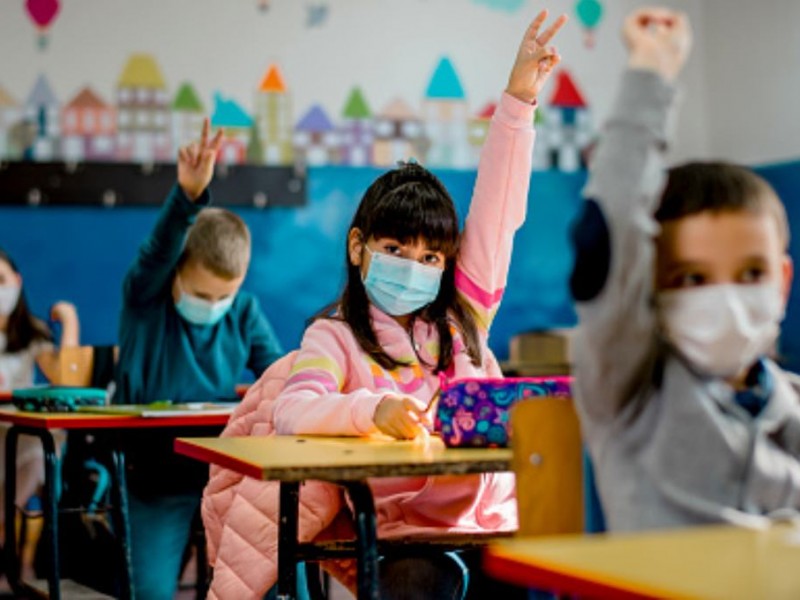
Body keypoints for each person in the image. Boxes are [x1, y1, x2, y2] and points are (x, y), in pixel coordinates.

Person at [204, 9, 567, 599]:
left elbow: (499, 212)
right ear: (358, 247)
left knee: (542, 573)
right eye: (396, 248)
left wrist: (519, 99)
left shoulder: (462, 319)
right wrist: (370, 412)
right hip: (407, 538)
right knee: (419, 581)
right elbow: (296, 410)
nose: (414, 267)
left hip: (493, 523)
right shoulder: (336, 337)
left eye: (430, 257)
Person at [570, 6, 800, 532]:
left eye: (749, 274)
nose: (726, 297)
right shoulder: (629, 387)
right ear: (646, 285)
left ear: (782, 282)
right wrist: (651, 73)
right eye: (692, 278)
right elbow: (613, 227)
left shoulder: (790, 404)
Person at [115, 120, 284, 599]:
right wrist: (188, 196)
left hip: (226, 476)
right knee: (148, 592)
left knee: (256, 582)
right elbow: (156, 252)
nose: (212, 305)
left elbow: (276, 374)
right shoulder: (146, 301)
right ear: (176, 275)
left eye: (223, 295)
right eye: (200, 292)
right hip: (153, 478)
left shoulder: (245, 311)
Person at [0, 248, 79, 550]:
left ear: (17, 281)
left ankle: (4, 523)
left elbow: (66, 380)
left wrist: (69, 321)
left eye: (1, 279)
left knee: (37, 454)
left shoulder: (32, 334)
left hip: (21, 433)